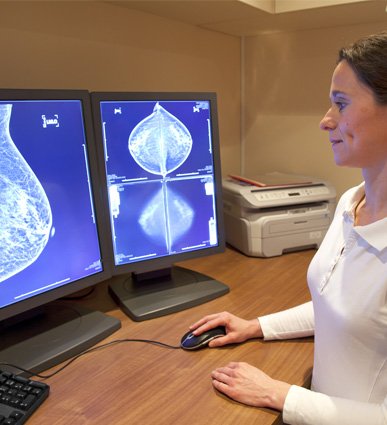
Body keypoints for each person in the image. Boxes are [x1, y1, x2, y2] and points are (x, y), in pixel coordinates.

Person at [189, 31, 387, 425]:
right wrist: (256, 326)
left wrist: (278, 395)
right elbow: (344, 312)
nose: (325, 120)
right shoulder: (351, 203)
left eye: (341, 104)